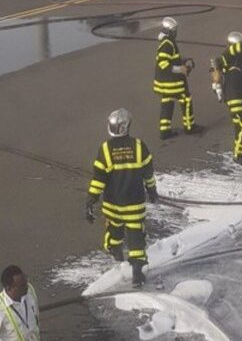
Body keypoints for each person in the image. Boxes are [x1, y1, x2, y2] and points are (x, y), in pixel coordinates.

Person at [85, 108, 159, 286]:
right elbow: (148, 173)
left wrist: (91, 199)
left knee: (114, 230)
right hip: (134, 204)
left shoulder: (105, 149)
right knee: (136, 238)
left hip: (113, 205)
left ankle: (114, 250)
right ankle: (137, 274)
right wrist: (152, 191)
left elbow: (99, 178)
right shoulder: (140, 147)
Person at [212, 32, 242, 167]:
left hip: (240, 94)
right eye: (241, 44)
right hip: (234, 96)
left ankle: (239, 154)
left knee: (240, 126)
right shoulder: (227, 56)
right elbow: (232, 51)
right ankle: (239, 156)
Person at [152, 17, 200, 140]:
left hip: (163, 83)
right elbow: (163, 63)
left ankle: (165, 130)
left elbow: (172, 58)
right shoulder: (168, 44)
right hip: (172, 83)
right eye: (175, 29)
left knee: (167, 103)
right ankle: (190, 127)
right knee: (186, 99)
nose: (176, 31)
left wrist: (183, 59)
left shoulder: (166, 42)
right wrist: (181, 69)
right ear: (170, 30)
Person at [0, 265, 40, 341]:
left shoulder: (30, 291)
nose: (27, 286)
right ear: (9, 288)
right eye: (22, 285)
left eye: (26, 280)